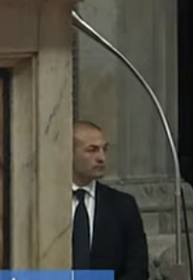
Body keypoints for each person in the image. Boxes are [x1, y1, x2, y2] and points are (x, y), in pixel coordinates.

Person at [71, 120, 150, 280]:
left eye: (104, 149)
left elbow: (137, 269)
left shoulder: (123, 206)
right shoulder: (44, 203)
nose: (101, 157)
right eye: (92, 150)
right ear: (69, 152)